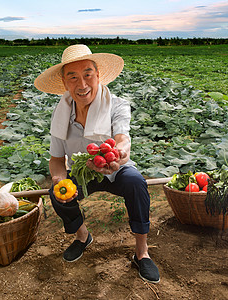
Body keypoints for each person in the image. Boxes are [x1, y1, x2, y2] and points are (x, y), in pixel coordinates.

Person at [34, 44, 160, 283]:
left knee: (136, 183)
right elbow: (57, 160)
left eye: (87, 75)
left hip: (115, 170)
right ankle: (83, 237)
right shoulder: (61, 113)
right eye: (73, 77)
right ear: (64, 82)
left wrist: (118, 154)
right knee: (57, 192)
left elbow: (122, 139)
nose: (81, 85)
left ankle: (142, 252)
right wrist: (60, 181)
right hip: (82, 174)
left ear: (98, 75)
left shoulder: (118, 105)